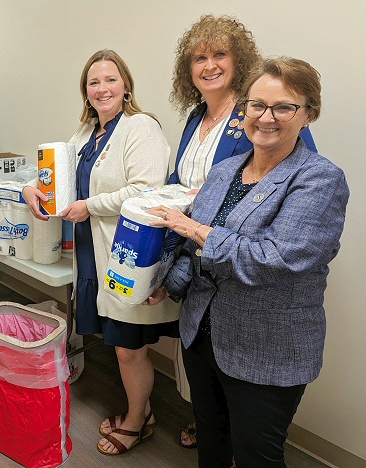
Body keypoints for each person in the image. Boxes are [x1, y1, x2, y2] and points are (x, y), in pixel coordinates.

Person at [146, 57, 349, 467]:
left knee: (258, 455)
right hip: (202, 336)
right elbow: (193, 253)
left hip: (267, 348)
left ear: (308, 114)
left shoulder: (318, 179)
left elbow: (278, 259)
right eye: (257, 105)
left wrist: (196, 230)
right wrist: (171, 285)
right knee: (211, 436)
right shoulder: (224, 172)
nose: (267, 117)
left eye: (283, 107)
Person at [168, 14, 316, 449]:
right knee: (210, 416)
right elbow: (189, 195)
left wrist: (195, 227)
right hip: (201, 293)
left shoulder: (262, 121)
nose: (209, 64)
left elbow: (287, 197)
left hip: (256, 305)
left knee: (254, 445)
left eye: (220, 54)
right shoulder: (197, 119)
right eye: (200, 57)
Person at [23, 49, 173, 456]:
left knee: (128, 347)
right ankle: (143, 411)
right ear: (85, 92)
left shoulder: (140, 127)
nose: (102, 88)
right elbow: (52, 174)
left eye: (110, 80)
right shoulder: (86, 135)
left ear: (126, 86)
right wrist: (30, 188)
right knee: (118, 341)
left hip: (125, 252)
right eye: (94, 82)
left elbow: (148, 191)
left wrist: (90, 206)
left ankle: (137, 420)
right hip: (92, 251)